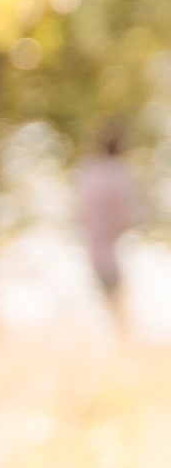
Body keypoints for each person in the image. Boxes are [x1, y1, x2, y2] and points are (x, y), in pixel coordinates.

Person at [76, 123, 138, 324]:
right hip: (112, 255)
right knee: (117, 310)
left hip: (89, 250)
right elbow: (127, 216)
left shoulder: (88, 172)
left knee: (104, 307)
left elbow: (79, 214)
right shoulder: (118, 175)